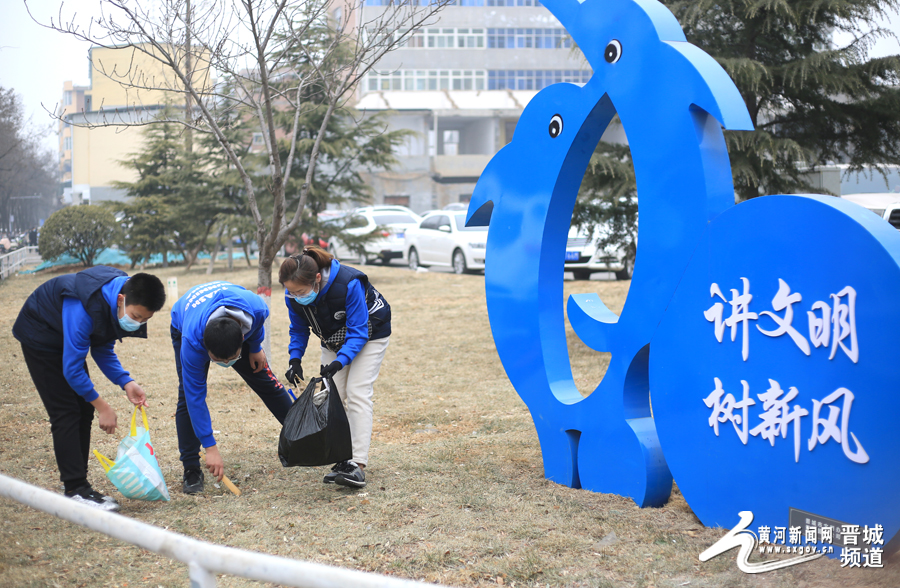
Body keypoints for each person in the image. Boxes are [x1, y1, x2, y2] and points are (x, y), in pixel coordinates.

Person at [12, 267, 166, 511]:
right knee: (66, 411)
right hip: (41, 333)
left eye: (145, 319)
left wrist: (126, 382)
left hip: (66, 335)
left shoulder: (115, 300)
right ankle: (75, 490)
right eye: (136, 316)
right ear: (121, 300)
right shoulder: (83, 306)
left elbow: (102, 347)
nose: (138, 323)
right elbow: (71, 369)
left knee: (83, 407)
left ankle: (81, 487)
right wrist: (103, 406)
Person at [279, 246, 391, 488]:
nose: (296, 296)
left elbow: (359, 332)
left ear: (317, 278)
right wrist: (295, 359)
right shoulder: (293, 295)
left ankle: (357, 465)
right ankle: (342, 459)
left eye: (300, 291)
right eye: (291, 292)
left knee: (358, 392)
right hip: (333, 338)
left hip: (371, 333)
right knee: (332, 397)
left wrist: (340, 361)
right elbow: (298, 328)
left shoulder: (348, 283)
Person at [170, 281, 294, 494]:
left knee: (265, 380)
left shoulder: (256, 308)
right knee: (186, 397)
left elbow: (257, 323)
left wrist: (255, 347)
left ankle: (302, 436)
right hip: (186, 317)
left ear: (241, 340)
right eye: (218, 360)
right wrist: (211, 448)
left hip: (234, 317)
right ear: (206, 350)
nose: (225, 364)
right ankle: (191, 468)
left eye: (232, 358)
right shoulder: (192, 343)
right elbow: (195, 398)